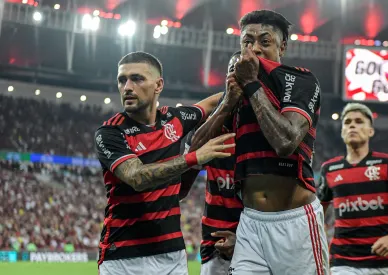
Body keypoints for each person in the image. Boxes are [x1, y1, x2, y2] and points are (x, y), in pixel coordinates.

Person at [191, 10, 327, 275]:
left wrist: (252, 84)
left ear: (282, 46)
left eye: (265, 42)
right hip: (250, 224)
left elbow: (286, 141)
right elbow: (195, 154)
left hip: (294, 220)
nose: (254, 49)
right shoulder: (236, 92)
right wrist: (229, 101)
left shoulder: (300, 80)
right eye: (247, 42)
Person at [94, 51, 235, 275]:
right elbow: (137, 177)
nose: (127, 87)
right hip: (123, 258)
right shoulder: (110, 132)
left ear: (158, 85)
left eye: (137, 78)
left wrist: (243, 87)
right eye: (122, 80)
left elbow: (210, 104)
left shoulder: (174, 119)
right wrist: (194, 157)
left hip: (172, 257)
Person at [317, 103, 388, 275]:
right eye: (347, 122)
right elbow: (318, 211)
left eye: (359, 121)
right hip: (342, 261)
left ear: (371, 131)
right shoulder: (329, 169)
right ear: (342, 131)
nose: (352, 125)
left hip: (381, 261)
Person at [180, 51, 244, 275]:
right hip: (214, 242)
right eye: (232, 71)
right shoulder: (212, 125)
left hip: (257, 239)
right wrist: (226, 104)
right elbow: (184, 179)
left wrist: (243, 238)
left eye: (243, 73)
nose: (237, 78)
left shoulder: (265, 128)